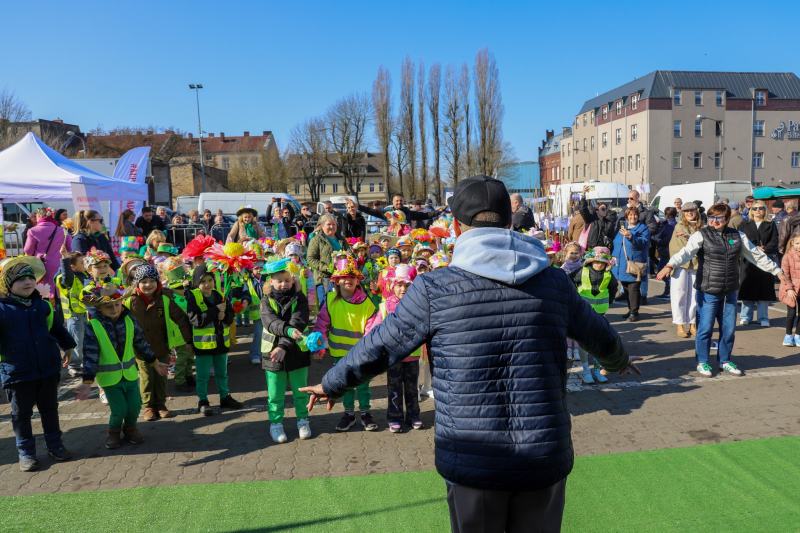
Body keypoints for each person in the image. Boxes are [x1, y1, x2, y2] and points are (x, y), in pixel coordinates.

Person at [301, 175, 641, 532]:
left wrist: (331, 384)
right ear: (509, 223)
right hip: (542, 452)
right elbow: (599, 334)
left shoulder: (434, 288)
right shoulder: (555, 281)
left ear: (456, 227)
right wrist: (619, 360)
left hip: (473, 455)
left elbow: (381, 345)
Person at [658, 203, 790, 377]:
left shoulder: (738, 236)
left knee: (728, 330)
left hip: (730, 292)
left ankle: (725, 361)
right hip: (707, 290)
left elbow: (756, 256)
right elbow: (686, 253)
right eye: (711, 217)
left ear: (727, 219)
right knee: (705, 329)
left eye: (719, 217)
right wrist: (669, 265)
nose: (714, 221)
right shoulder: (701, 235)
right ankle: (702, 362)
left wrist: (778, 272)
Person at [0, 256, 76, 471]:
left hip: (47, 368)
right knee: (21, 414)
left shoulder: (42, 305)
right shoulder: (2, 309)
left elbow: (57, 328)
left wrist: (68, 346)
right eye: (20, 279)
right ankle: (26, 452)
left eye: (30, 278)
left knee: (49, 409)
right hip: (17, 372)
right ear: (8, 284)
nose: (28, 282)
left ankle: (55, 445)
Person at [76, 280, 169, 449]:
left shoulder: (130, 321)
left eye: (117, 304)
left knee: (135, 406)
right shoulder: (93, 326)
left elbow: (141, 344)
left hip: (130, 375)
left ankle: (130, 429)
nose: (114, 309)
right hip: (109, 379)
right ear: (99, 308)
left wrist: (155, 362)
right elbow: (90, 355)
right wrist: (87, 382)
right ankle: (113, 432)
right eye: (108, 306)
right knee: (119, 409)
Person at [310, 256, 379, 432]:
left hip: (361, 353)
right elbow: (321, 324)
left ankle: (366, 413)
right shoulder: (330, 300)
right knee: (345, 384)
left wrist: (369, 349)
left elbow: (372, 328)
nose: (348, 279)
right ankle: (348, 414)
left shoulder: (366, 302)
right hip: (340, 353)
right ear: (336, 281)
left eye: (352, 276)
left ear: (358, 280)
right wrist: (318, 346)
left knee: (363, 385)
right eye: (344, 276)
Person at [126, 264, 193, 421]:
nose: (148, 285)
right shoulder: (129, 300)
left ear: (158, 282)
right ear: (137, 283)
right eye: (144, 281)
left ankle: (161, 404)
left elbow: (181, 319)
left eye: (152, 281)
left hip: (162, 346)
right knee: (147, 377)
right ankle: (148, 405)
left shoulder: (164, 298)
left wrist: (189, 341)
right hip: (140, 349)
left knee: (161, 376)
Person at [260, 258, 312, 443]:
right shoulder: (266, 301)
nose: (283, 284)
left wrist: (283, 346)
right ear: (271, 281)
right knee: (275, 394)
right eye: (279, 280)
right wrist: (285, 340)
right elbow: (272, 323)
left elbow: (298, 322)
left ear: (293, 280)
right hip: (272, 355)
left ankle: (303, 420)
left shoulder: (300, 298)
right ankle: (276, 423)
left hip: (296, 352)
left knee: (300, 392)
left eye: (287, 280)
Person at [366, 264, 423, 432]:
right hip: (393, 355)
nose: (403, 289)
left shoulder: (419, 305)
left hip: (412, 353)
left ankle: (413, 415)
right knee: (394, 388)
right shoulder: (385, 306)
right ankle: (394, 417)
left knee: (412, 388)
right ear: (392, 286)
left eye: (407, 285)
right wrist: (368, 343)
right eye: (399, 285)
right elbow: (375, 327)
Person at [185, 264, 243, 416]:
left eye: (210, 280)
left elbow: (230, 316)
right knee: (203, 376)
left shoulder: (220, 295)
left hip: (220, 343)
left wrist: (225, 317)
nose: (207, 284)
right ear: (197, 283)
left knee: (222, 373)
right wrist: (215, 310)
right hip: (203, 345)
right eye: (203, 281)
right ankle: (203, 401)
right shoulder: (193, 297)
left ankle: (224, 397)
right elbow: (196, 320)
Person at [569, 247, 619, 384]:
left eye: (602, 262)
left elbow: (613, 287)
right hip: (583, 312)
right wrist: (574, 300)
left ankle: (597, 369)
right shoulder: (581, 271)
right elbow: (569, 283)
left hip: (600, 312)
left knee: (600, 340)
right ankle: (586, 370)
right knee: (584, 340)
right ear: (590, 261)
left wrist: (609, 301)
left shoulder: (608, 274)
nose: (599, 264)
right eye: (596, 261)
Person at [738, 201, 778, 327]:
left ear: (765, 210)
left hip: (765, 259)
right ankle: (745, 316)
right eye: (755, 208)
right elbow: (739, 240)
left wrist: (764, 248)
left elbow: (775, 240)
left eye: (761, 208)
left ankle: (763, 317)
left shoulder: (770, 224)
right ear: (751, 211)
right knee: (747, 289)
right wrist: (754, 248)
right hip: (748, 260)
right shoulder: (744, 224)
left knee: (764, 290)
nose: (758, 210)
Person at [616, 189, 657, 305]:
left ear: (637, 198)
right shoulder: (624, 210)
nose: (629, 200)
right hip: (626, 247)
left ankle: (643, 294)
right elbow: (619, 225)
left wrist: (637, 232)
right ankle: (624, 292)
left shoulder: (646, 213)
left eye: (631, 198)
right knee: (625, 269)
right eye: (627, 198)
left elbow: (653, 228)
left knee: (641, 270)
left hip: (640, 247)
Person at [668, 203, 701, 338]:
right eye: (686, 211)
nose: (689, 213)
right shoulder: (679, 226)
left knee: (694, 296)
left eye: (692, 210)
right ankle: (680, 325)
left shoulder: (702, 226)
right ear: (682, 213)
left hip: (696, 264)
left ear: (696, 211)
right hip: (680, 264)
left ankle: (693, 324)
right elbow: (683, 247)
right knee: (679, 294)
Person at [612, 207, 650, 322]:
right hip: (621, 263)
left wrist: (631, 236)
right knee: (626, 288)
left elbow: (644, 243)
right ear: (627, 216)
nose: (633, 217)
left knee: (633, 288)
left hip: (634, 263)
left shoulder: (643, 228)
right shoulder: (623, 227)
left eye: (635, 215)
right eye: (630, 215)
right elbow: (617, 242)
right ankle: (631, 310)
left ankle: (634, 312)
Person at [55, 248, 89, 377]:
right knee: (76, 342)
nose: (84, 264)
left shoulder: (85, 274)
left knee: (86, 341)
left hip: (86, 314)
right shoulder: (68, 278)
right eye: (81, 262)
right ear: (72, 267)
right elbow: (67, 276)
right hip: (75, 316)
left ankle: (84, 363)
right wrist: (64, 257)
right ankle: (74, 365)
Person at [24, 207, 72, 294]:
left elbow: (28, 251)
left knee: (43, 294)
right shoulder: (63, 230)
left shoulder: (33, 231)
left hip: (42, 267)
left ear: (39, 216)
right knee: (60, 293)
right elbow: (71, 249)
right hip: (61, 266)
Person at [307, 214, 350, 306]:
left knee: (340, 305)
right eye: (329, 224)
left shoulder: (341, 239)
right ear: (322, 226)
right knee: (326, 305)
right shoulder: (316, 240)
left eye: (334, 224)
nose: (332, 227)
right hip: (324, 277)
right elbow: (310, 259)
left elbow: (349, 254)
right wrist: (326, 268)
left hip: (341, 277)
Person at [345, 194, 442, 229]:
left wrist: (438, 212)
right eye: (397, 201)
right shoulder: (388, 213)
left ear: (403, 201)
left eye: (401, 201)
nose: (399, 202)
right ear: (393, 202)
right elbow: (371, 211)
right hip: (392, 239)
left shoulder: (409, 212)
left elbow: (425, 215)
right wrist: (357, 206)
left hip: (406, 240)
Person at [578, 186, 615, 251]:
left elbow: (611, 236)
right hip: (592, 249)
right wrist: (583, 195)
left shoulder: (608, 222)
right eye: (603, 209)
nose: (605, 211)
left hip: (604, 250)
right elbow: (583, 209)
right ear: (596, 211)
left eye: (606, 209)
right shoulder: (590, 219)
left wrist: (609, 242)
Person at [780, 234, 800, 346]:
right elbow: (784, 274)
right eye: (797, 243)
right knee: (791, 313)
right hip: (791, 289)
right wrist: (789, 289)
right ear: (792, 242)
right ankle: (788, 336)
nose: (799, 246)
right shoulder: (787, 257)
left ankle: (798, 335)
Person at [654, 207, 678, 300]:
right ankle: (667, 292)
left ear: (666, 214)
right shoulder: (674, 223)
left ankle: (673, 291)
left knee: (662, 272)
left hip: (666, 251)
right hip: (669, 251)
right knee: (668, 273)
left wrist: (658, 241)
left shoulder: (669, 225)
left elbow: (668, 239)